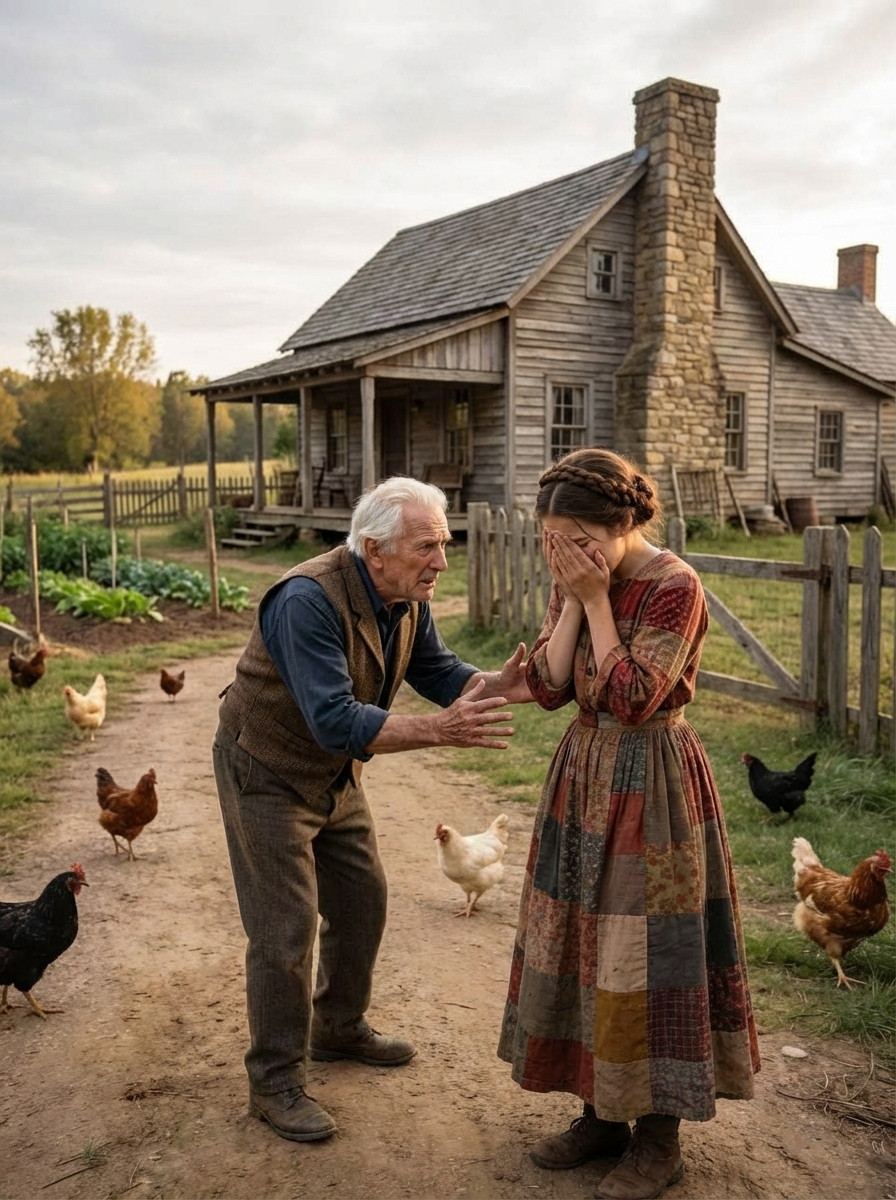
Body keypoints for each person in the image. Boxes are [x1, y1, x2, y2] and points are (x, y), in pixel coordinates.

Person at [213, 477, 531, 1143]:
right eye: (427, 547)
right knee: (284, 929)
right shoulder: (307, 600)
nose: (442, 561)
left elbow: (440, 672)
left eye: (443, 545)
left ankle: (337, 1026)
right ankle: (274, 1081)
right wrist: (439, 731)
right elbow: (334, 719)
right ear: (373, 549)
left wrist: (504, 686)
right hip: (267, 770)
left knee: (363, 899)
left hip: (335, 774)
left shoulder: (404, 596)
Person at [497, 448, 759, 1200]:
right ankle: (599, 1115)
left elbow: (638, 695)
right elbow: (550, 687)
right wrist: (577, 599)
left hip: (654, 779)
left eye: (578, 540)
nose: (565, 556)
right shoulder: (577, 579)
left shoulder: (675, 585)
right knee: (585, 941)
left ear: (620, 525)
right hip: (583, 774)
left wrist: (598, 601)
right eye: (554, 542)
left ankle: (658, 1140)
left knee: (651, 955)